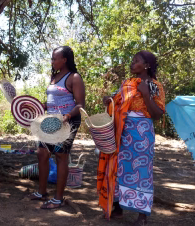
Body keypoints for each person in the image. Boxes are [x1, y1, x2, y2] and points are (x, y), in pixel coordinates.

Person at [98, 51, 165, 225]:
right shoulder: (126, 84)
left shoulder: (154, 85)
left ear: (146, 65)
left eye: (136, 61)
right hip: (122, 130)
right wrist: (109, 101)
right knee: (118, 167)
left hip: (142, 134)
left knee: (142, 171)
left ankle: (142, 215)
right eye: (132, 60)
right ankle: (118, 208)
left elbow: (157, 114)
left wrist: (145, 95)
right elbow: (117, 102)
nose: (132, 63)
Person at [28, 46, 85, 209]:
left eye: (54, 58)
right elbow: (54, 101)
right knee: (42, 153)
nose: (52, 61)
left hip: (68, 121)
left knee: (61, 156)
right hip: (51, 121)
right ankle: (42, 192)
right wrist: (41, 106)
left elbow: (80, 105)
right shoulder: (54, 76)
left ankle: (58, 198)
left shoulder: (74, 77)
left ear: (64, 60)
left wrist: (67, 116)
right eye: (52, 58)